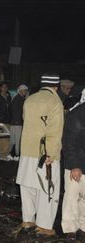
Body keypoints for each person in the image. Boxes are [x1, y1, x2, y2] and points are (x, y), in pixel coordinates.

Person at [16, 73, 64, 236]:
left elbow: (26, 120)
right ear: (56, 86)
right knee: (47, 189)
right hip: (44, 153)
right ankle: (44, 226)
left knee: (28, 186)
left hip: (27, 149)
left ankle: (28, 220)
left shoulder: (30, 99)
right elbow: (55, 130)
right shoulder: (54, 101)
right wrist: (51, 153)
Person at [61, 92, 85, 241]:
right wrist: (75, 165)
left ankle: (83, 227)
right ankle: (70, 229)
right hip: (76, 165)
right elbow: (69, 142)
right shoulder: (76, 114)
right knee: (72, 198)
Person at [8, 84, 28, 161]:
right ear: (20, 91)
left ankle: (9, 154)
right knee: (17, 140)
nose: (25, 92)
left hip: (13, 122)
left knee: (12, 140)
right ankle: (17, 155)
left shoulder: (15, 98)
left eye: (26, 90)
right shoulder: (20, 99)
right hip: (17, 122)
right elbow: (20, 112)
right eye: (24, 90)